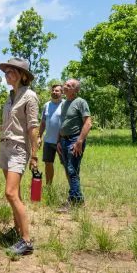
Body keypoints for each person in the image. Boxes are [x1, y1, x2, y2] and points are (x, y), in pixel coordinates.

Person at [0, 57, 40, 256]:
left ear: (23, 76)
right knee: (15, 193)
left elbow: (32, 127)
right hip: (5, 146)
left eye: (12, 71)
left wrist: (34, 155)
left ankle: (26, 241)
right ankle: (16, 231)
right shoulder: (10, 96)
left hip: (18, 149)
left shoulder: (30, 96)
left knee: (10, 193)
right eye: (6, 71)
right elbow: (9, 125)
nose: (7, 74)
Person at [56, 79, 92, 212]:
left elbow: (88, 123)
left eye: (69, 86)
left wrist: (79, 141)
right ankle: (79, 200)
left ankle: (73, 201)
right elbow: (63, 123)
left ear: (76, 90)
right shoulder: (65, 103)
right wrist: (59, 141)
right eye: (65, 84)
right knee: (69, 170)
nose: (65, 87)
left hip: (75, 140)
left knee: (72, 171)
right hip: (64, 141)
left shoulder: (81, 102)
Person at [36, 84, 64, 186]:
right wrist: (39, 136)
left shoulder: (65, 105)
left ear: (62, 93)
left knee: (66, 165)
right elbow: (43, 122)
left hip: (62, 141)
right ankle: (48, 186)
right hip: (48, 141)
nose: (54, 92)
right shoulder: (47, 105)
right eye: (53, 90)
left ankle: (73, 190)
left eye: (57, 91)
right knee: (48, 163)